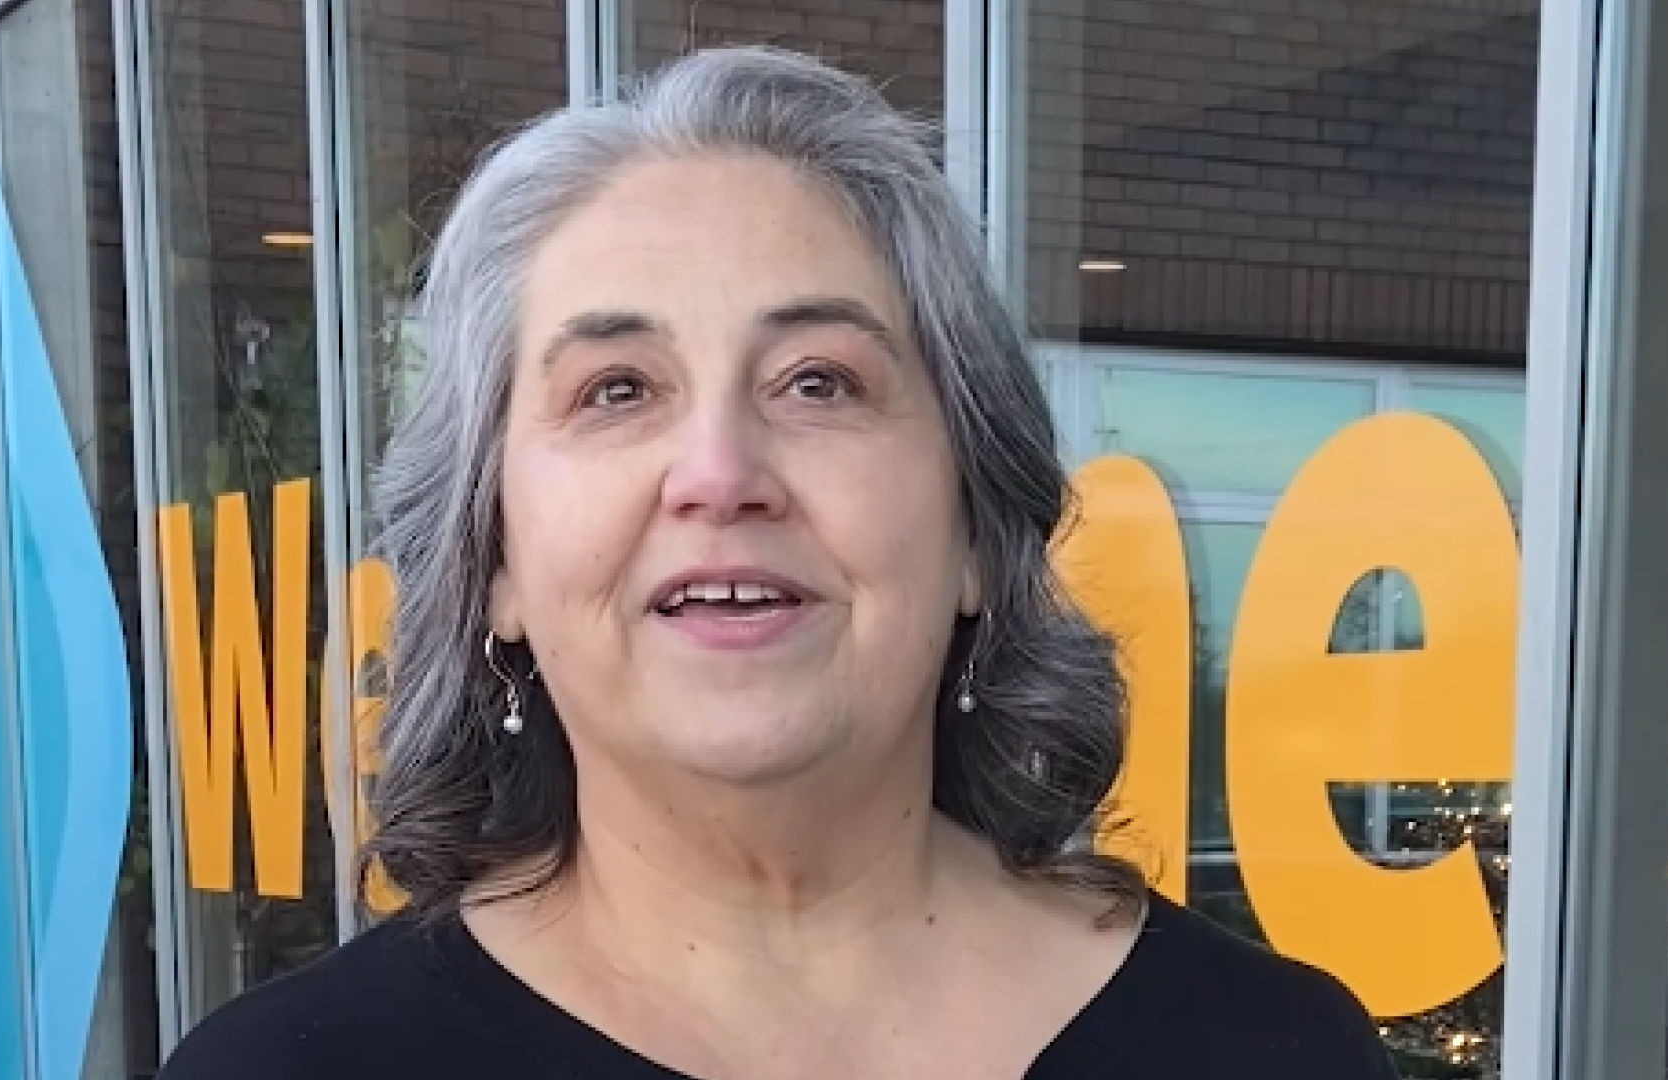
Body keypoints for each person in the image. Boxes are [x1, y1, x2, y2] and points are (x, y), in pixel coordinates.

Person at [158, 45, 1398, 1080]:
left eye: (819, 381)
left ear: (976, 528)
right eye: (617, 389)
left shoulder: (1275, 1050)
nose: (721, 468)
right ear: (497, 565)